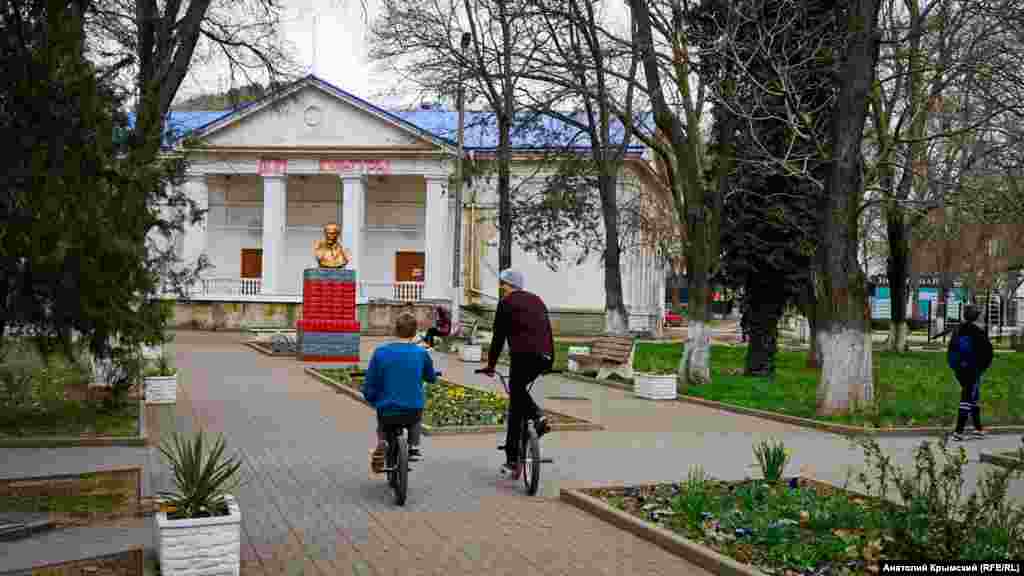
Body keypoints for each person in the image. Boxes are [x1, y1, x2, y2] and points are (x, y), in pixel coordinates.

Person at [478, 269, 553, 480]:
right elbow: (546, 329)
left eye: (502, 284)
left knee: (516, 395)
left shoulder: (506, 303)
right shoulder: (537, 300)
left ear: (507, 284)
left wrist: (491, 365)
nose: (501, 287)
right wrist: (548, 361)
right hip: (546, 356)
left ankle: (536, 422)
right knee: (519, 397)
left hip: (523, 356)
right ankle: (526, 439)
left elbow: (498, 338)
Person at [362, 313, 438, 472]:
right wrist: (430, 376)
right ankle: (414, 446)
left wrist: (370, 398)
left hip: (387, 408)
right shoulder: (421, 353)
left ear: (395, 330)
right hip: (412, 409)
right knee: (416, 416)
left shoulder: (380, 352)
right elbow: (431, 377)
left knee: (383, 424)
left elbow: (370, 382)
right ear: (415, 332)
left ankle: (382, 442)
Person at [947, 304, 994, 441]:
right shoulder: (978, 332)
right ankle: (959, 431)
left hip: (959, 369)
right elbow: (987, 353)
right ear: (976, 317)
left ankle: (978, 429)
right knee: (968, 395)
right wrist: (981, 368)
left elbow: (950, 351)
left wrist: (956, 366)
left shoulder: (957, 330)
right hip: (973, 369)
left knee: (974, 395)